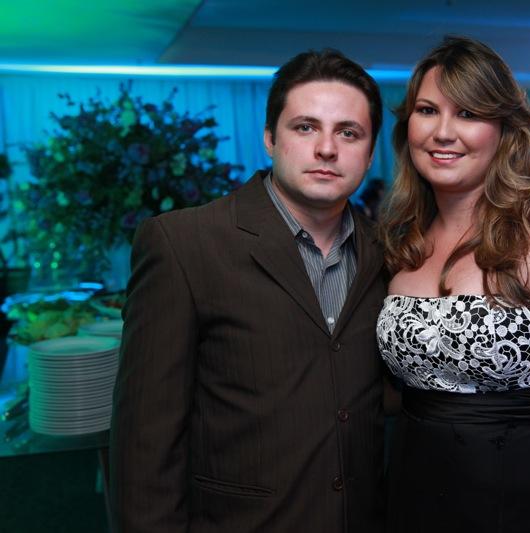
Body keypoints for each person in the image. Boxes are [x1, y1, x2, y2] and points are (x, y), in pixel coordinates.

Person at [110, 49, 387, 532]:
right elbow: (144, 445)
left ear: (369, 151)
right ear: (269, 138)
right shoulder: (184, 245)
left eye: (349, 133)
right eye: (305, 127)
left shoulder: (387, 252)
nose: (327, 148)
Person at [377, 36, 530, 533]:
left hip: (528, 507)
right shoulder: (404, 240)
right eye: (427, 111)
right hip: (413, 500)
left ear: (503, 130)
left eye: (468, 113)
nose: (443, 132)